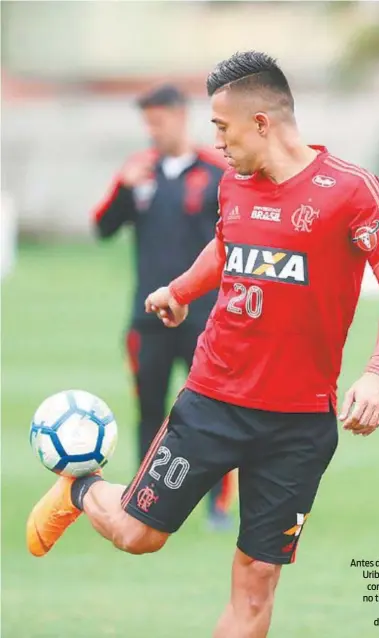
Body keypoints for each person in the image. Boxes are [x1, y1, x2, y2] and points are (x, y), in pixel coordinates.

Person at [27, 52, 379, 638]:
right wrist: (180, 290)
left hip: (300, 422)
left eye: (222, 127)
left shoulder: (351, 190)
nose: (217, 140)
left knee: (257, 579)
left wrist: (378, 372)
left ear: (261, 123)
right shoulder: (235, 183)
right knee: (139, 536)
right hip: (214, 400)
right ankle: (79, 489)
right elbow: (228, 243)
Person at [92, 84, 233, 529]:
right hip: (147, 316)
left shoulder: (215, 173)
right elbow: (103, 228)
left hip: (205, 319)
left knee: (210, 412)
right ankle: (144, 498)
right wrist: (121, 189)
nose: (153, 129)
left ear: (179, 117)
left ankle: (216, 505)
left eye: (159, 120)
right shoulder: (139, 173)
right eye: (147, 122)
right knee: (150, 410)